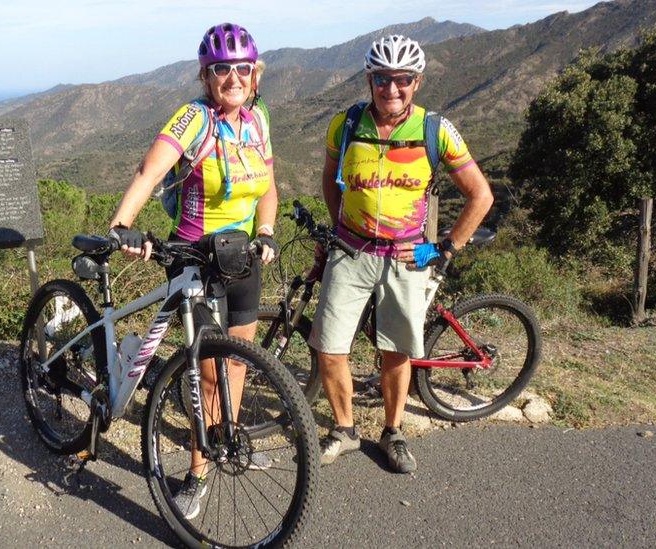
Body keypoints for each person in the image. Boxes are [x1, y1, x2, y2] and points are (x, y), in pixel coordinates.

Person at [107, 23, 278, 519]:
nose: (232, 77)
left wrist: (266, 232)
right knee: (207, 373)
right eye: (221, 69)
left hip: (242, 258)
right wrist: (123, 225)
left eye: (242, 68)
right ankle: (198, 470)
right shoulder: (194, 119)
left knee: (240, 361)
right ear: (206, 76)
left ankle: (228, 438)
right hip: (194, 259)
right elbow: (150, 171)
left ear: (254, 73)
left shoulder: (257, 122)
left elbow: (268, 186)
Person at [308, 34, 493, 473]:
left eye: (403, 79)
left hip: (406, 257)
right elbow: (329, 179)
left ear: (418, 82)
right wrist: (336, 230)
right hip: (351, 250)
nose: (393, 89)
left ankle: (393, 431)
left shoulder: (435, 130)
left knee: (396, 352)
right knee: (330, 349)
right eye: (383, 79)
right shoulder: (346, 124)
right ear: (370, 80)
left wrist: (444, 247)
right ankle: (345, 429)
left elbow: (480, 196)